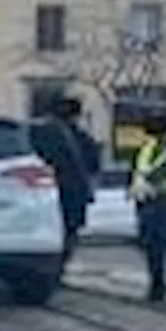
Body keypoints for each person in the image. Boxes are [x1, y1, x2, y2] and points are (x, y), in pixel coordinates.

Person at [30, 97, 101, 263]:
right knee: (69, 233)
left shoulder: (38, 134)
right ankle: (60, 265)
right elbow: (93, 165)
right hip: (72, 194)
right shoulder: (83, 139)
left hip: (43, 194)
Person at [131, 113, 166, 301]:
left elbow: (143, 174)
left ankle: (162, 287)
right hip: (162, 201)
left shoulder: (153, 149)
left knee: (163, 247)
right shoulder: (159, 148)